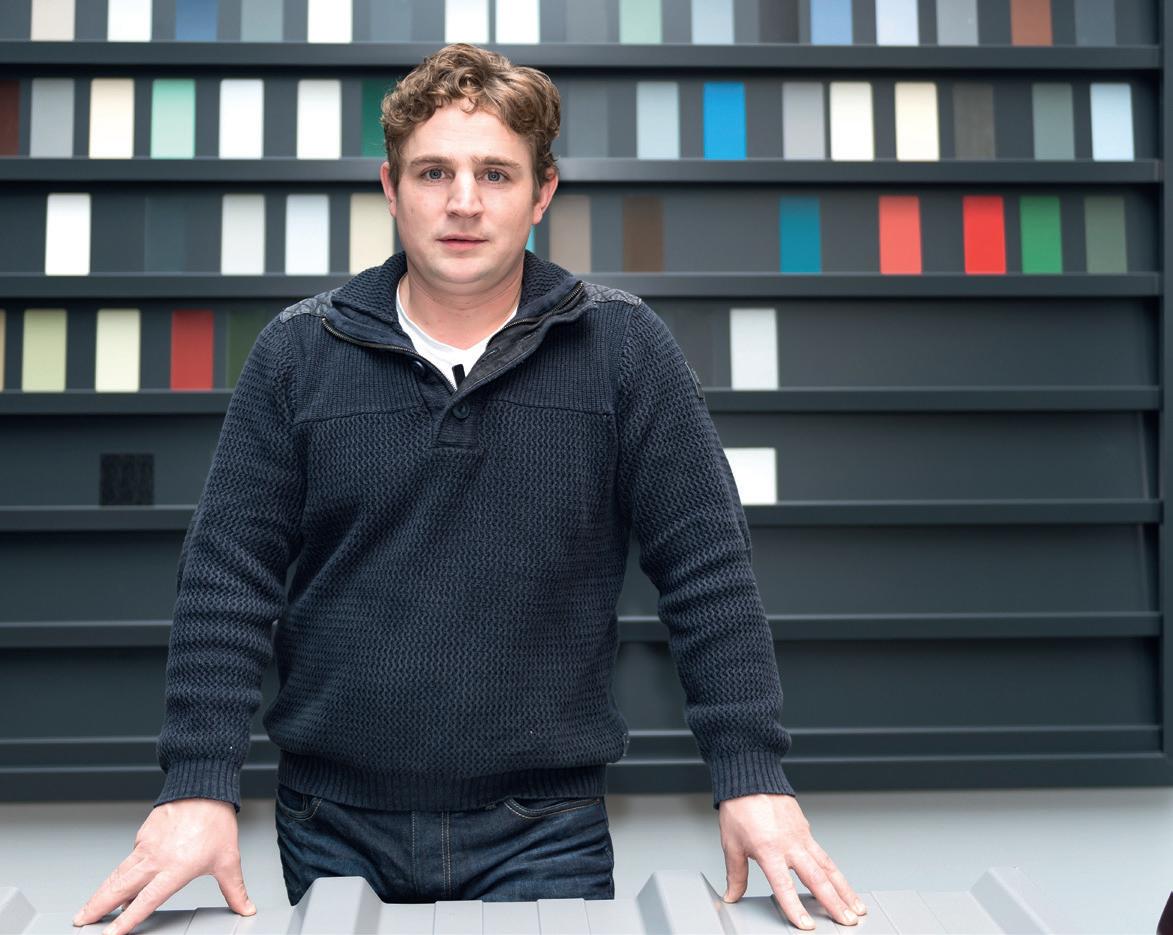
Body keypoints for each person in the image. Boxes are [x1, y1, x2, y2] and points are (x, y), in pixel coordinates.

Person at [72, 42, 866, 935]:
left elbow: (706, 571)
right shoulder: (297, 352)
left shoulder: (624, 349)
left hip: (545, 827)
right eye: (433, 172)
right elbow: (228, 577)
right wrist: (195, 784)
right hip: (331, 824)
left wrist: (752, 773)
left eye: (494, 173)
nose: (462, 201)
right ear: (390, 187)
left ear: (542, 192)